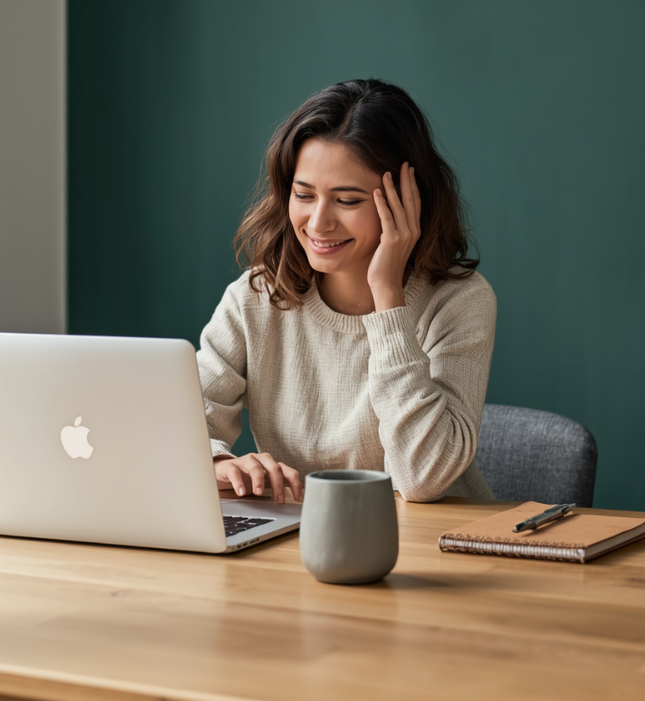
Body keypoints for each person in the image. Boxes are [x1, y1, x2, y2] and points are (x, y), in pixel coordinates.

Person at [198, 78, 497, 505]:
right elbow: (181, 429)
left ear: (408, 200)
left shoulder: (460, 301)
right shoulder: (255, 297)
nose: (318, 223)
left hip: (433, 546)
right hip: (298, 543)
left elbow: (421, 477)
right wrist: (216, 463)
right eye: (304, 195)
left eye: (348, 200)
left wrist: (387, 298)